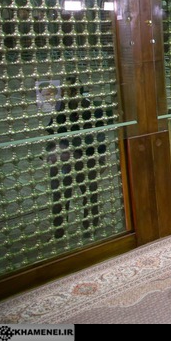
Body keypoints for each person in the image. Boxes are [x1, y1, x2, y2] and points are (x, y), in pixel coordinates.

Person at [45, 77, 107, 239]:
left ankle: (90, 229)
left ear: (75, 92)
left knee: (89, 195)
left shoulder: (93, 110)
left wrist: (99, 158)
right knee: (60, 195)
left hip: (86, 158)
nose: (62, 95)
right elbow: (53, 131)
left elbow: (98, 138)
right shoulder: (61, 109)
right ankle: (59, 231)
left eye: (65, 91)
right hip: (63, 158)